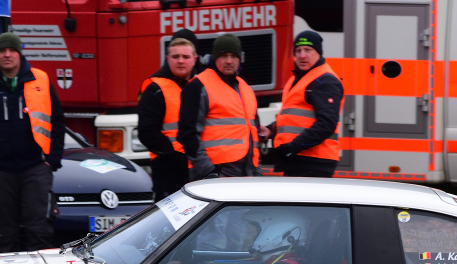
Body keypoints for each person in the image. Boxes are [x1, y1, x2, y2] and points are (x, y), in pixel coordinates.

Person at [0, 32, 65, 253]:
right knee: (3, 234)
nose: (7, 55)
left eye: (12, 50)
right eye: (2, 51)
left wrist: (52, 160)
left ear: (19, 53)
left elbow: (56, 121)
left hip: (36, 166)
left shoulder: (41, 79)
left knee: (39, 232)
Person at [178, 33, 267, 180]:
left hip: (247, 173)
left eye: (234, 56)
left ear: (240, 58)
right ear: (214, 58)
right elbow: (188, 135)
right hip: (215, 174)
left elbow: (253, 133)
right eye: (224, 56)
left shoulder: (246, 89)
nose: (229, 61)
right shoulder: (198, 86)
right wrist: (208, 172)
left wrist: (256, 170)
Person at [273, 31, 344, 178]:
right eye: (298, 51)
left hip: (314, 162)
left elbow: (327, 124)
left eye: (308, 50)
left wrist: (292, 148)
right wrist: (270, 130)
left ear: (318, 53)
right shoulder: (297, 79)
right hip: (300, 160)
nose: (302, 55)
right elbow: (293, 119)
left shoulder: (325, 80)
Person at [138, 35, 197, 200]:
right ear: (167, 59)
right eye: (175, 56)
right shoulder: (155, 88)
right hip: (168, 169)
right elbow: (147, 132)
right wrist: (173, 155)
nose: (180, 61)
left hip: (199, 167)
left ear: (194, 59)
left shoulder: (200, 86)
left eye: (185, 57)